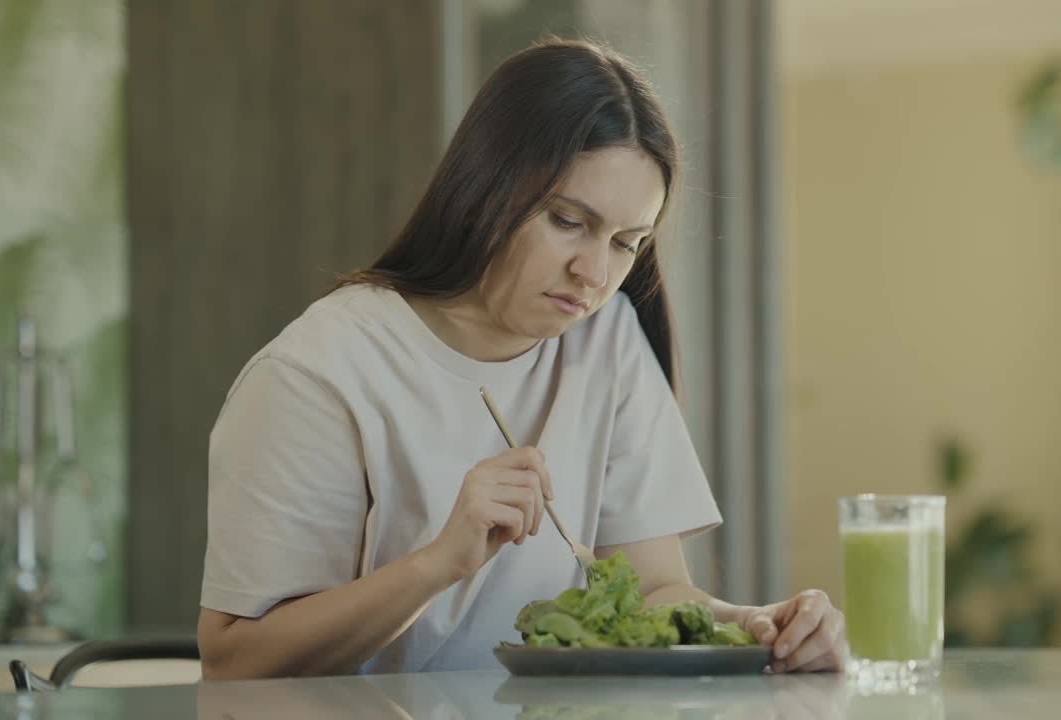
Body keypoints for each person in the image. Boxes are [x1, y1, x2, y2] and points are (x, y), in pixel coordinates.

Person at [196, 38, 845, 680]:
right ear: (487, 185)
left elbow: (651, 594)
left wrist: (759, 626)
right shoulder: (320, 372)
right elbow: (235, 660)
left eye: (626, 243)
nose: (593, 273)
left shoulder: (608, 338)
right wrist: (440, 562)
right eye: (567, 221)